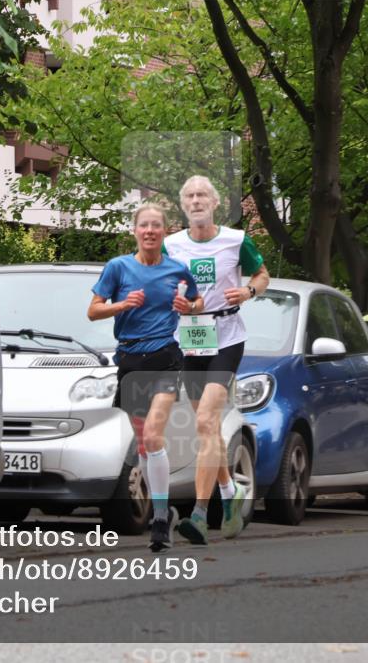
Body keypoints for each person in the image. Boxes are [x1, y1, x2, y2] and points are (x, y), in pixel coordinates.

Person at [88, 204, 201, 553]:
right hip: (130, 359)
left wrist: (189, 307)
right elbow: (93, 310)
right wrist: (122, 306)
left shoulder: (177, 270)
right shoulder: (118, 267)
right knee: (143, 445)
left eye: (156, 226)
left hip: (165, 358)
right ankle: (163, 508)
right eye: (144, 226)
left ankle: (161, 518)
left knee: (154, 435)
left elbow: (197, 302)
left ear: (164, 232)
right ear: (135, 231)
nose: (150, 231)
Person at [165, 175, 270, 545]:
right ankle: (230, 492)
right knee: (206, 429)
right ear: (183, 205)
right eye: (190, 196)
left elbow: (262, 274)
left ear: (214, 203)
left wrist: (248, 290)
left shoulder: (236, 241)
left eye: (202, 196)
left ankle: (198, 512)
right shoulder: (171, 245)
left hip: (226, 337)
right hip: (190, 338)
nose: (196, 201)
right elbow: (164, 283)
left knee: (207, 420)